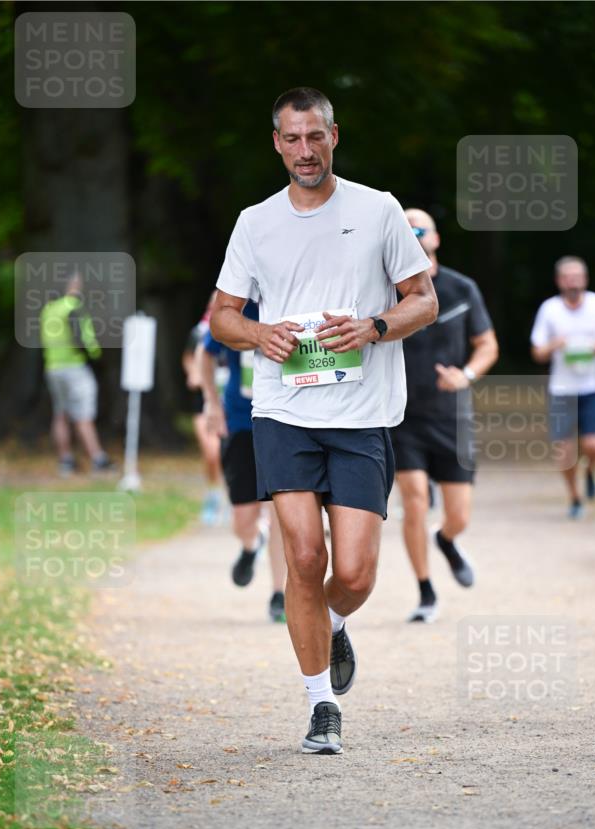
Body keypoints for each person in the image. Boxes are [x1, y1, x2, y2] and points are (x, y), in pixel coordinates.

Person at [210, 87, 437, 755]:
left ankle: (334, 620)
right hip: (284, 410)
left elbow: (421, 301)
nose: (304, 150)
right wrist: (258, 336)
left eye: (315, 137)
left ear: (333, 136)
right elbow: (222, 314)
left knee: (358, 572)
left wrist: (372, 326)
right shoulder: (255, 221)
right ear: (275, 143)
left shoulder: (378, 210)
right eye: (291, 138)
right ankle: (320, 706)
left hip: (362, 414)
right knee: (304, 557)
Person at [391, 209, 499, 623]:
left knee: (459, 516)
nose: (414, 234)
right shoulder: (385, 290)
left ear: (436, 238)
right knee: (414, 502)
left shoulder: (460, 288)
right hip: (402, 417)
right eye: (405, 229)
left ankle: (448, 541)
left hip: (450, 417)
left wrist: (467, 375)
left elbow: (487, 343)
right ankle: (425, 592)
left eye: (420, 228)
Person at [202, 299, 287, 622]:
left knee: (283, 510)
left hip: (286, 422)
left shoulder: (295, 301)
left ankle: (279, 592)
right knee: (242, 519)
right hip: (241, 421)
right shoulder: (237, 311)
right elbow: (205, 354)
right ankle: (252, 544)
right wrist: (212, 402)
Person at [530, 257, 595, 519]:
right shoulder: (549, 309)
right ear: (559, 280)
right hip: (561, 389)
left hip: (593, 386)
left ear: (585, 279)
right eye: (567, 276)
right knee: (564, 450)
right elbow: (537, 351)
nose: (573, 281)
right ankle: (574, 497)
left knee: (594, 445)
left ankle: (592, 471)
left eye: (577, 276)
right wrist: (554, 345)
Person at [40, 272, 113, 476]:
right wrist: (95, 358)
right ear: (73, 285)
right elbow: (81, 338)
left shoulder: (49, 309)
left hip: (53, 367)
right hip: (75, 366)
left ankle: (66, 461)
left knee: (61, 414)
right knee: (84, 414)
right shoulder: (73, 306)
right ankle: (97, 458)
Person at [183, 300, 226, 525]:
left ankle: (230, 499)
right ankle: (213, 494)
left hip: (229, 402)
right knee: (211, 453)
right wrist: (194, 374)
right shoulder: (199, 332)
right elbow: (189, 357)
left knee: (227, 453)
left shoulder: (237, 329)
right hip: (202, 402)